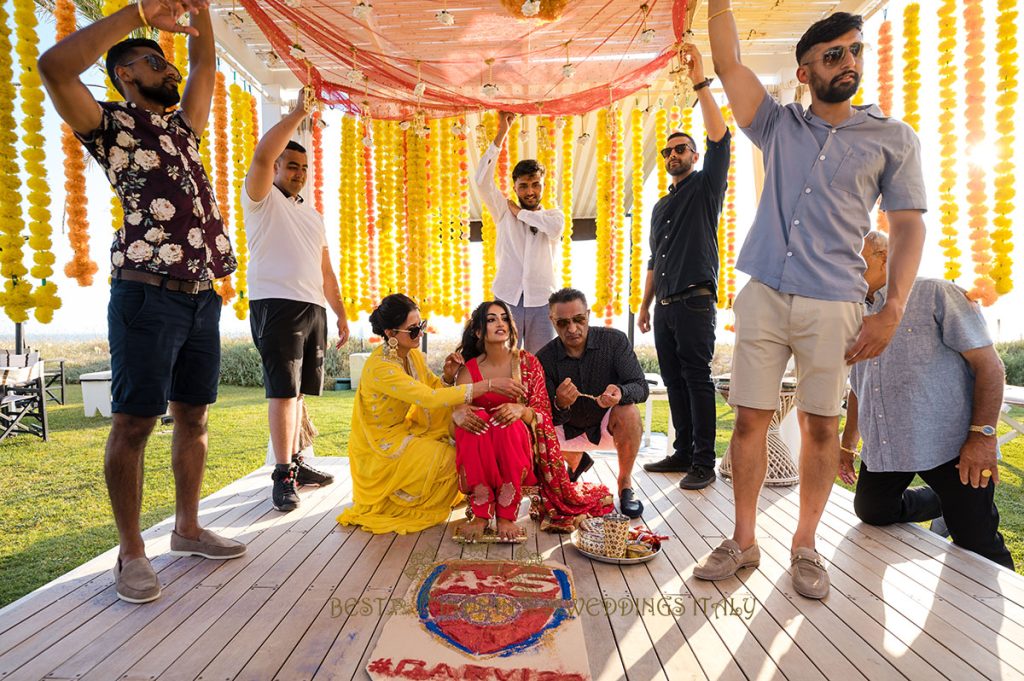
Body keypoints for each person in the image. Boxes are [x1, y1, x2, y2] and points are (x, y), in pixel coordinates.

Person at [696, 8, 927, 599]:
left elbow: (906, 228)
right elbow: (728, 64)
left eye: (854, 50)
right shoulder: (777, 126)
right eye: (833, 55)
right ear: (805, 72)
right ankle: (743, 541)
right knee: (749, 417)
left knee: (821, 426)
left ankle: (805, 546)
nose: (848, 61)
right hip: (766, 292)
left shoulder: (893, 138)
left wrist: (892, 307)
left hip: (836, 301)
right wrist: (718, 6)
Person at [39, 0, 246, 604]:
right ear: (127, 74)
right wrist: (138, 14)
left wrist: (202, 11)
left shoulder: (184, 128)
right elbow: (54, 66)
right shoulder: (106, 125)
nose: (168, 67)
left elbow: (205, 60)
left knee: (195, 417)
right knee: (134, 423)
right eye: (154, 61)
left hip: (202, 295)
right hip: (145, 294)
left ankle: (186, 528)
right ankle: (131, 552)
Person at [839, 232, 1013, 569]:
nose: (843, 265)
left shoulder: (936, 293)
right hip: (887, 445)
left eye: (853, 256)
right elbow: (859, 385)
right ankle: (938, 501)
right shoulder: (852, 316)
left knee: (977, 545)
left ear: (886, 256)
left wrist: (982, 437)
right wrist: (848, 445)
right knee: (871, 511)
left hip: (951, 445)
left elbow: (991, 367)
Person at [243, 90, 350, 513]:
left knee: (302, 393)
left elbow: (326, 270)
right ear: (275, 169)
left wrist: (340, 313)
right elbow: (260, 155)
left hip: (313, 307)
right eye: (291, 165)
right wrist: (297, 114)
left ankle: (299, 462)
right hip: (276, 302)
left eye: (304, 168)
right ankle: (282, 474)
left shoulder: (312, 213)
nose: (299, 173)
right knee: (283, 393)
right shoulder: (261, 198)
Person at [336, 294, 525, 534]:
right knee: (450, 458)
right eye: (413, 330)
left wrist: (447, 376)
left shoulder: (411, 354)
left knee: (471, 425)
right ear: (391, 334)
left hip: (404, 428)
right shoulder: (381, 368)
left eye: (421, 326)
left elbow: (435, 387)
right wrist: (487, 385)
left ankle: (497, 500)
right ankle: (414, 503)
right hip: (380, 444)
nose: (420, 334)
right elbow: (429, 398)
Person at [640, 42, 730, 490]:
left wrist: (700, 82)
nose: (674, 155)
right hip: (664, 306)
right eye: (669, 152)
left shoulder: (706, 189)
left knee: (697, 378)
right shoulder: (660, 207)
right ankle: (681, 451)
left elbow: (721, 139)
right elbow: (655, 259)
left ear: (694, 156)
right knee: (673, 378)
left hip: (696, 300)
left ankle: (703, 463)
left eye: (682, 149)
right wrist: (643, 307)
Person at [453, 301, 614, 539]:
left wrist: (520, 410)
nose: (500, 323)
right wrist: (463, 412)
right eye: (491, 319)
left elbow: (543, 413)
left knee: (507, 425)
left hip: (517, 439)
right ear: (478, 331)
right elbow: (459, 410)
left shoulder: (528, 363)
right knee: (474, 422)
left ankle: (507, 515)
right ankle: (481, 514)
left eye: (504, 318)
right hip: (482, 441)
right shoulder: (468, 370)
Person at [536, 288, 650, 519]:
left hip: (605, 426)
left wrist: (620, 392)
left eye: (579, 320)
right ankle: (575, 459)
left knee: (628, 410)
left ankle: (625, 483)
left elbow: (640, 386)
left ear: (588, 314)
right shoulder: (544, 358)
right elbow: (544, 415)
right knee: (529, 422)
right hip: (564, 429)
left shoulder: (614, 341)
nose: (572, 329)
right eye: (563, 323)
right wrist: (559, 403)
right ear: (552, 321)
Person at [474, 111, 564, 353]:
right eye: (523, 186)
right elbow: (481, 181)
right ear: (514, 187)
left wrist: (521, 214)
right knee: (503, 361)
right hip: (507, 299)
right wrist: (502, 133)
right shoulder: (503, 210)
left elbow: (552, 228)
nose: (530, 191)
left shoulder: (554, 216)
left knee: (540, 364)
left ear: (543, 185)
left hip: (543, 301)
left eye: (535, 184)